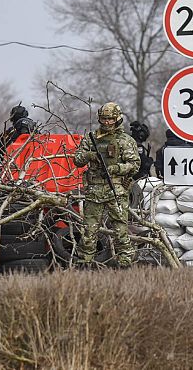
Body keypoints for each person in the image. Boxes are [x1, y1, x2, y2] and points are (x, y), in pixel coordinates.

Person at [73, 102, 140, 268]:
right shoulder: (92, 139)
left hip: (115, 190)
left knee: (120, 231)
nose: (106, 122)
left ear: (117, 119)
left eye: (110, 119)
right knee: (89, 231)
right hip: (94, 191)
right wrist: (89, 155)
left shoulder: (125, 141)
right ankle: (84, 264)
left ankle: (125, 263)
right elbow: (77, 160)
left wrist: (117, 168)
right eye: (104, 119)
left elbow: (134, 165)